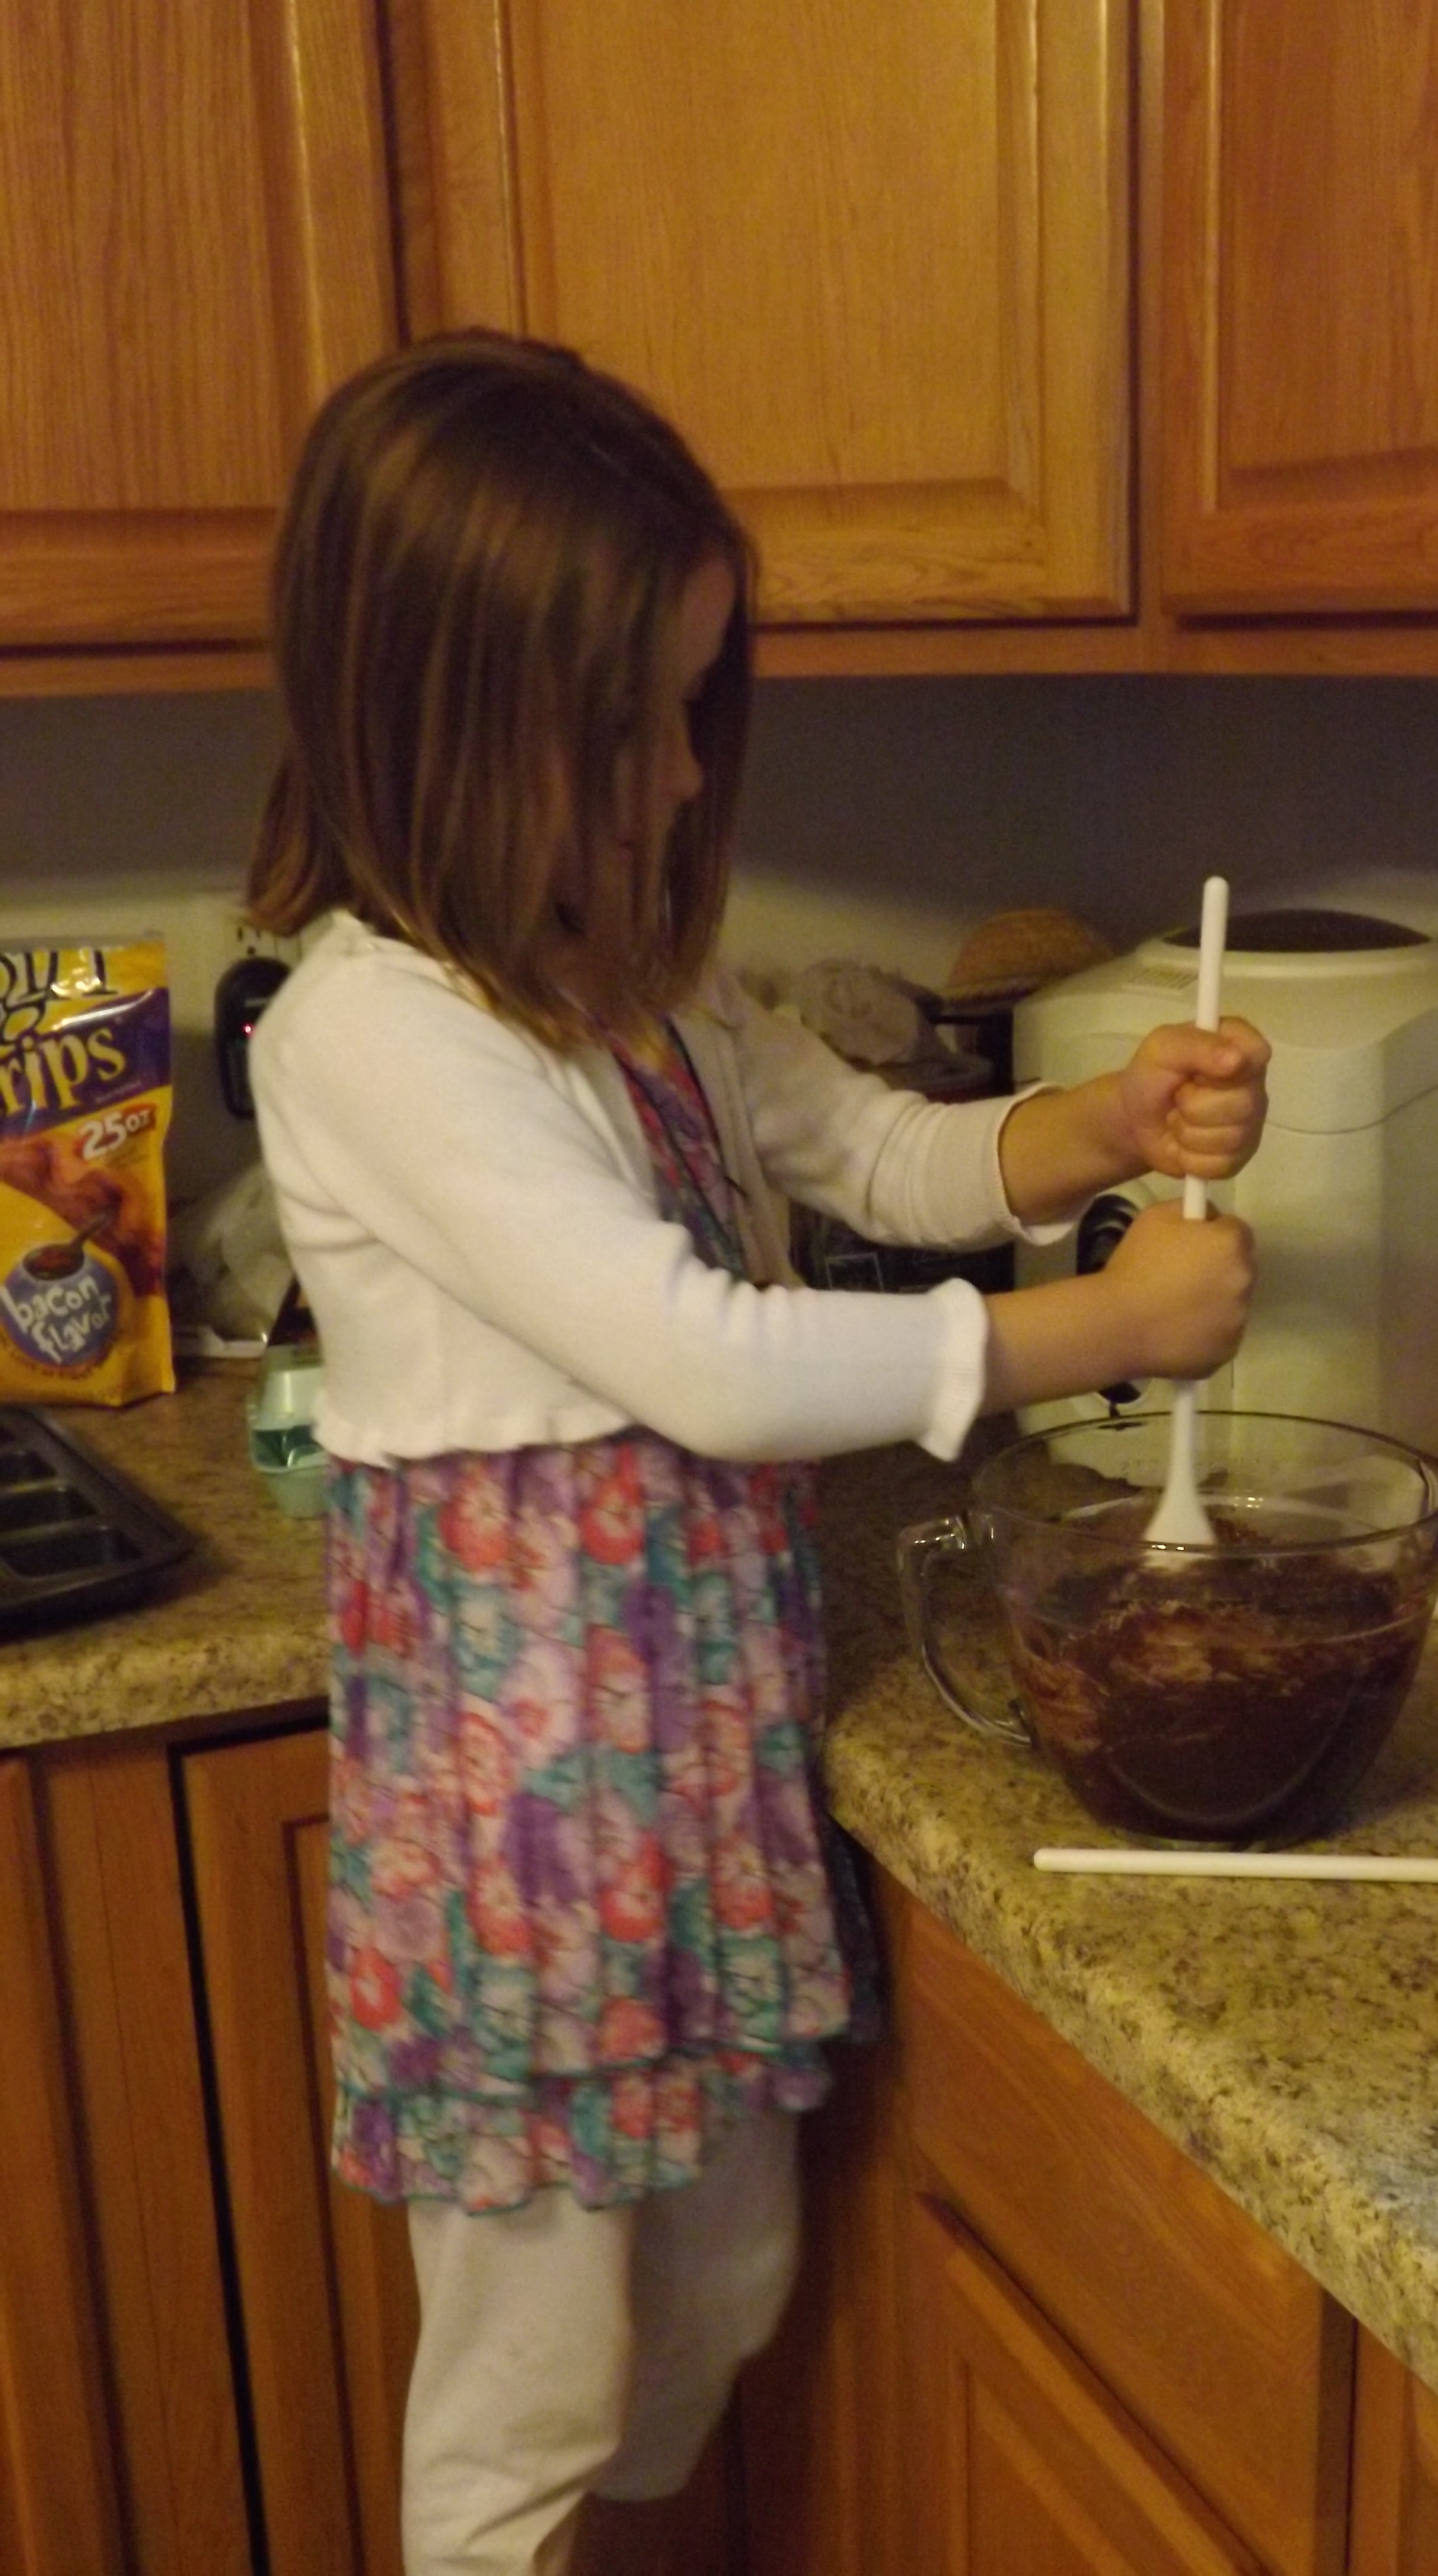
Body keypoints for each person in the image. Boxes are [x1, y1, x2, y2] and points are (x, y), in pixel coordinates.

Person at [245, 329, 1269, 2576]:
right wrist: (1098, 1327)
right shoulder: (371, 1034)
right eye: (628, 722)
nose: (684, 774)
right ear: (439, 715)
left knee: (720, 2298)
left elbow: (883, 1156)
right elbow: (703, 1366)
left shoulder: (645, 981)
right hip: (522, 1818)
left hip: (697, 1765)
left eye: (696, 707)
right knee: (526, 2388)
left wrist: (1097, 1126)